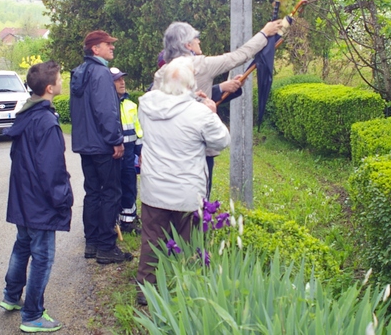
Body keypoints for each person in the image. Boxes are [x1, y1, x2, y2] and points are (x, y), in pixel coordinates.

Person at [135, 57, 231, 305]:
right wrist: (211, 110)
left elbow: (165, 97)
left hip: (154, 189)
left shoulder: (145, 105)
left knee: (151, 239)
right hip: (187, 192)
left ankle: (146, 289)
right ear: (192, 85)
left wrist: (190, 97)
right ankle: (189, 289)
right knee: (191, 243)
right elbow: (221, 140)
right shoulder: (199, 113)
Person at [153, 19, 282, 197]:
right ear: (187, 44)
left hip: (168, 149)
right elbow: (239, 56)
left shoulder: (161, 74)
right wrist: (264, 33)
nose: (199, 41)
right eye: (196, 38)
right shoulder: (201, 65)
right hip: (197, 148)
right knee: (198, 200)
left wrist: (222, 88)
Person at [0, 61, 73, 333]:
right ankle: (32, 315)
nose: (63, 80)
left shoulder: (26, 115)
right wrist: (63, 199)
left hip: (23, 197)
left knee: (23, 245)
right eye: (59, 77)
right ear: (50, 88)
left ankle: (11, 297)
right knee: (42, 256)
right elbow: (52, 170)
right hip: (40, 202)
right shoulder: (46, 122)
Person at [69, 30, 132, 264]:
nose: (112, 47)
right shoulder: (101, 73)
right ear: (95, 49)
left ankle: (92, 243)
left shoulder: (78, 73)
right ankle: (107, 246)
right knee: (110, 193)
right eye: (108, 44)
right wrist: (115, 140)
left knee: (93, 192)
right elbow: (106, 110)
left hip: (85, 144)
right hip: (103, 145)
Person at [110, 67, 143, 234]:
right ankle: (114, 222)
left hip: (129, 155)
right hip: (114, 156)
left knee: (130, 187)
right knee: (114, 190)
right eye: (117, 80)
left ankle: (129, 221)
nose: (122, 82)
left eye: (122, 79)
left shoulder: (131, 105)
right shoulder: (108, 105)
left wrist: (140, 151)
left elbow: (138, 130)